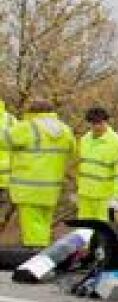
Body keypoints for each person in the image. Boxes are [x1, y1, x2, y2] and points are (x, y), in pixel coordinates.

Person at [4, 99, 75, 247]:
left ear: (32, 113)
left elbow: (4, 139)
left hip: (28, 187)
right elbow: (73, 151)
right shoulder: (65, 130)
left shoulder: (28, 127)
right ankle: (44, 255)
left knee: (32, 228)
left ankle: (35, 256)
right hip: (51, 188)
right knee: (43, 224)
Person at [75, 107, 118, 223]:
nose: (97, 126)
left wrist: (117, 196)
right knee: (84, 231)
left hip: (105, 198)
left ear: (106, 122)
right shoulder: (84, 140)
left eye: (100, 123)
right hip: (85, 196)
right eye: (93, 123)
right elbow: (81, 167)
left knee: (103, 233)